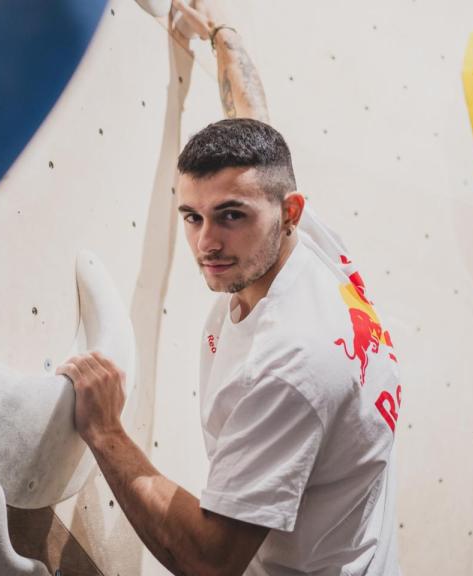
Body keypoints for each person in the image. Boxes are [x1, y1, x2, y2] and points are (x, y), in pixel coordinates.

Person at [56, 2, 403, 574]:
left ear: (288, 212)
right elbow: (254, 123)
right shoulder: (308, 242)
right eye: (192, 216)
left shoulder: (290, 365)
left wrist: (105, 429)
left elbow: (211, 561)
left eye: (231, 216)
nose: (206, 243)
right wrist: (220, 32)